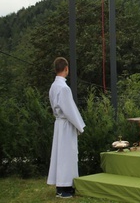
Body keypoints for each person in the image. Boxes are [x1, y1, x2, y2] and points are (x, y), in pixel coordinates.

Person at [47, 57, 86, 199]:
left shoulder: (54, 86)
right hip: (65, 124)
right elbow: (70, 110)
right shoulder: (64, 88)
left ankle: (61, 187)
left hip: (59, 123)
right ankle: (65, 187)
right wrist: (80, 126)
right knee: (66, 156)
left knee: (60, 155)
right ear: (66, 69)